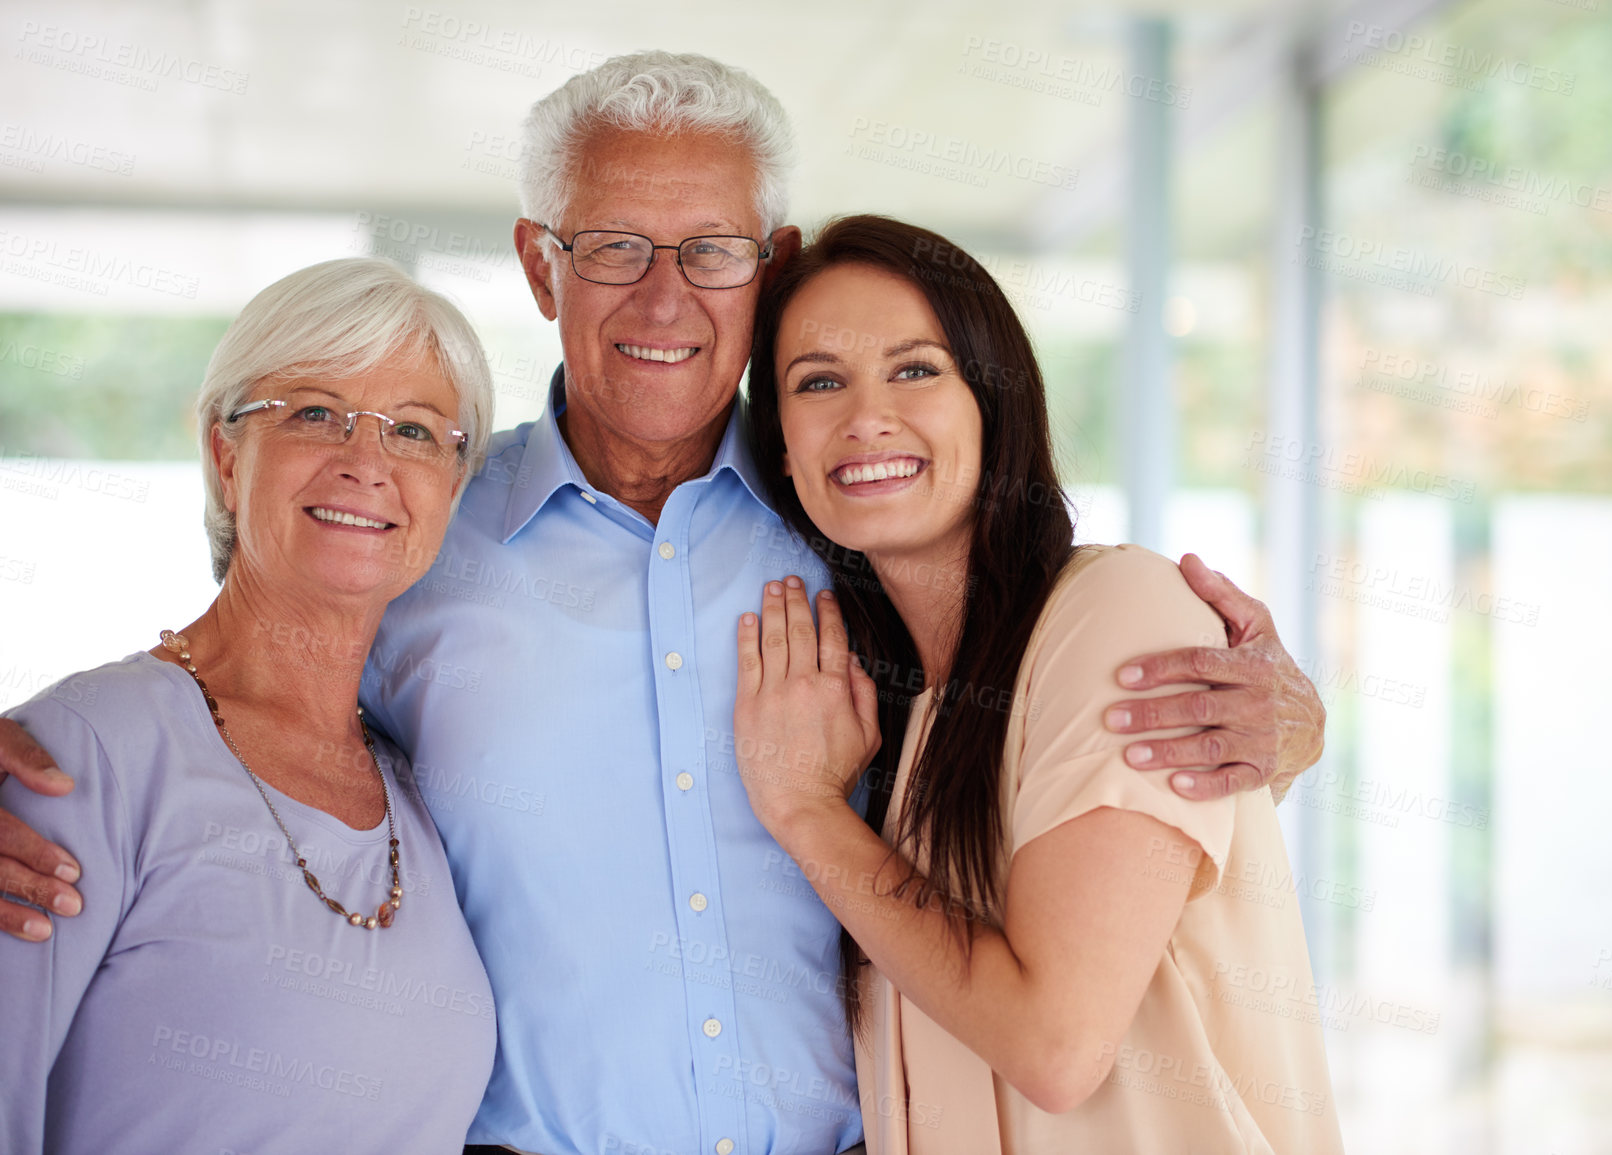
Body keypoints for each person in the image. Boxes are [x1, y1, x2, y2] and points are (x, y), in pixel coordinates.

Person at [0, 54, 1327, 1155]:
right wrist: (41, 770)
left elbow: (1043, 721)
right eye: (614, 246)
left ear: (774, 259)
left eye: (709, 250)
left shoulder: (857, 520)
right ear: (537, 265)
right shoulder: (414, 528)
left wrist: (1281, 721)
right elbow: (233, 700)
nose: (663, 296)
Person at [734, 214, 1342, 1153]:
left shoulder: (1116, 611)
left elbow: (1055, 1047)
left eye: (915, 369)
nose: (865, 417)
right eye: (818, 382)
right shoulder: (891, 712)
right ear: (780, 446)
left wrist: (808, 814)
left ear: (993, 400)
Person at [0, 257, 498, 1154]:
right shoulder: (82, 754)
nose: (366, 462)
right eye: (314, 412)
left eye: (416, 431)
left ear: (453, 488)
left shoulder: (420, 791)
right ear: (227, 455)